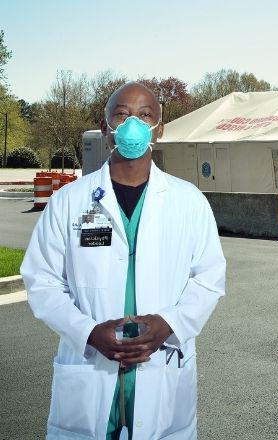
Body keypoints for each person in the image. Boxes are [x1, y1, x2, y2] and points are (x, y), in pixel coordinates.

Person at [21, 82, 226, 439]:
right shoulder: (69, 201)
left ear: (159, 129)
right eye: (122, 114)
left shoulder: (188, 201)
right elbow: (42, 280)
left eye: (145, 115)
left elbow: (208, 278)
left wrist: (169, 325)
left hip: (162, 364)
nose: (134, 124)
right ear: (106, 127)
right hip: (91, 368)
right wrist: (88, 333)